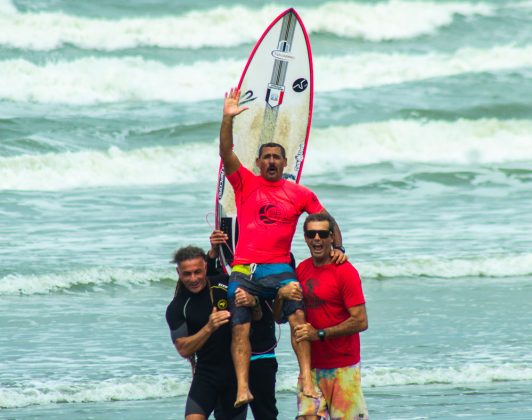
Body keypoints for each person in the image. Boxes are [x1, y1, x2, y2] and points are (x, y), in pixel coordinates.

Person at [219, 87, 347, 407]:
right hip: (244, 268)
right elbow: (224, 152)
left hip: (279, 268)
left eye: (277, 156)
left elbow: (326, 220)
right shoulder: (245, 183)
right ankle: (243, 387)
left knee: (298, 317)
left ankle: (305, 377)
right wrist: (227, 118)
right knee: (239, 326)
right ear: (259, 162)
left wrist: (340, 248)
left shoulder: (299, 193)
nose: (272, 161)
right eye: (267, 157)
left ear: (285, 161)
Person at [289, 213, 369, 419]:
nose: (317, 238)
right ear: (305, 238)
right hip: (311, 368)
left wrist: (319, 334)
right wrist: (280, 296)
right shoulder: (301, 269)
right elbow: (284, 317)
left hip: (343, 367)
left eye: (323, 234)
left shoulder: (345, 271)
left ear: (332, 237)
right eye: (311, 233)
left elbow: (361, 321)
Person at [165, 245, 257, 420]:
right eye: (187, 274)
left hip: (236, 375)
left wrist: (252, 301)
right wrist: (209, 327)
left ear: (205, 267)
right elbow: (183, 349)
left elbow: (256, 314)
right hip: (206, 376)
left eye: (197, 272)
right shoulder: (178, 306)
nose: (193, 278)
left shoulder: (225, 284)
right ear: (178, 272)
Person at [209, 230, 279, 420]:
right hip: (227, 355)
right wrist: (214, 252)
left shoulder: (277, 255)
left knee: (266, 414)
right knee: (227, 415)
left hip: (262, 350)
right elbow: (200, 284)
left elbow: (278, 300)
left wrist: (254, 300)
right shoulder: (221, 259)